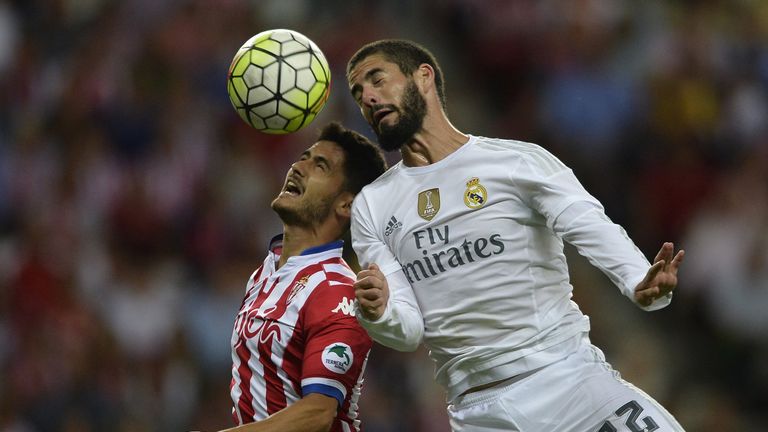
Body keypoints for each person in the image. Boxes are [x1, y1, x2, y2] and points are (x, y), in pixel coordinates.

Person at [346, 39, 686, 431]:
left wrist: (637, 279)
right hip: (479, 415)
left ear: (423, 77)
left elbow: (588, 223)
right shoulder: (373, 205)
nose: (368, 97)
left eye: (377, 80)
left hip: (570, 385)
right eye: (358, 93)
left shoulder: (516, 162)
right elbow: (406, 331)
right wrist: (377, 313)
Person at [224, 122, 387, 432]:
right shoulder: (264, 273)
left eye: (320, 166)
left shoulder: (336, 291)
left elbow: (317, 414)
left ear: (346, 204)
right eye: (303, 157)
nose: (298, 167)